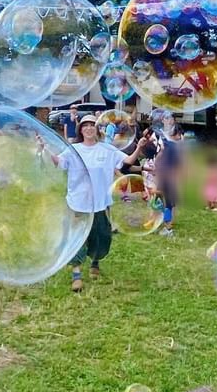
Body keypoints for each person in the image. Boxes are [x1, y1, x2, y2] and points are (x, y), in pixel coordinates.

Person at [56, 115, 152, 292]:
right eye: (85, 125)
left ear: (97, 129)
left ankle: (95, 263)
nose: (89, 128)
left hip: (100, 202)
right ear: (80, 130)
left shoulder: (107, 150)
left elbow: (127, 161)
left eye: (92, 125)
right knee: (77, 238)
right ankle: (76, 275)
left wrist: (139, 147)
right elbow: (58, 162)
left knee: (101, 236)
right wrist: (44, 149)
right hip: (78, 202)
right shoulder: (73, 150)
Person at [153, 122, 184, 236]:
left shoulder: (170, 146)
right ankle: (166, 224)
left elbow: (159, 162)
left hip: (166, 179)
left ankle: (167, 227)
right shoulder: (174, 147)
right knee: (168, 203)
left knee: (166, 203)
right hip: (168, 179)